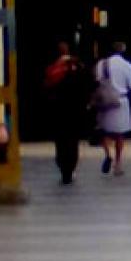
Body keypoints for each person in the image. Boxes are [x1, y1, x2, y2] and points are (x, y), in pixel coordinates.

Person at [43, 42, 91, 184]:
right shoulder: (78, 66)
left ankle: (64, 168)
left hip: (58, 111)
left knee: (61, 141)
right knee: (72, 141)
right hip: (75, 110)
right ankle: (69, 168)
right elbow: (86, 85)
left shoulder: (53, 68)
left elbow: (46, 87)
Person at [95, 41, 131, 176]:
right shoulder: (127, 65)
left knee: (102, 131)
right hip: (120, 101)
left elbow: (95, 82)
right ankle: (118, 163)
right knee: (120, 134)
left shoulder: (100, 65)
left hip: (103, 101)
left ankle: (108, 154)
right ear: (123, 51)